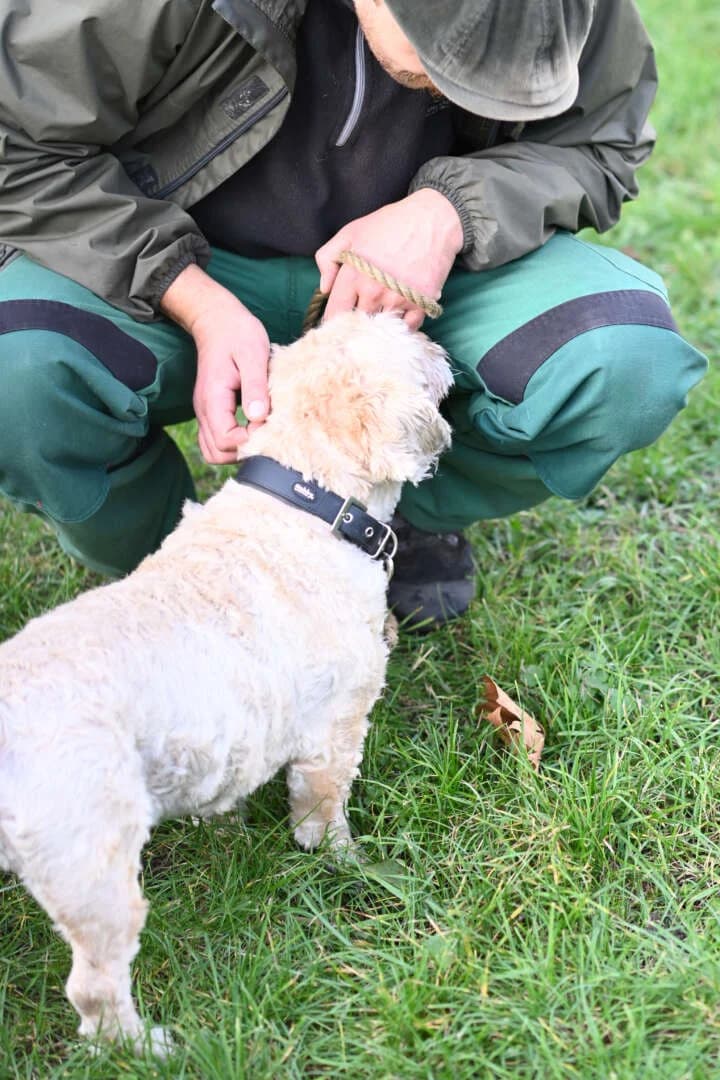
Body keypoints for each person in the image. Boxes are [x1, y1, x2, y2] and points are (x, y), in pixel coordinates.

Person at [0, 0, 707, 628]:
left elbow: (601, 142)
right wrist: (196, 301)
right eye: (451, 61)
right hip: (180, 264)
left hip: (434, 283)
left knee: (624, 361)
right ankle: (175, 564)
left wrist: (449, 211)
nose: (475, 94)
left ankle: (391, 511)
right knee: (17, 374)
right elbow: (20, 147)